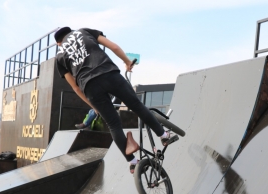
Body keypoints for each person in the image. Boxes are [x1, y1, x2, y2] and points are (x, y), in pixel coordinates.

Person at [54, 27, 178, 173]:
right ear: (71, 31)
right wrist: (127, 62)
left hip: (89, 86)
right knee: (137, 106)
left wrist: (94, 106)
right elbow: (114, 46)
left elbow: (75, 88)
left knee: (113, 124)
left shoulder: (59, 57)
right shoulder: (83, 31)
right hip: (108, 73)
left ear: (58, 44)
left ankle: (132, 162)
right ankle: (163, 136)